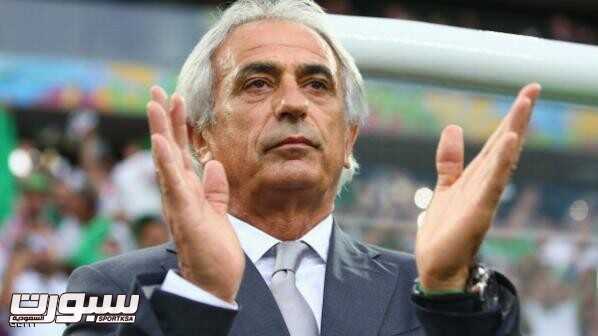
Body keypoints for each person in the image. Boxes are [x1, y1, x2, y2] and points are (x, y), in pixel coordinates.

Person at [64, 0, 542, 335]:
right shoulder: (100, 287)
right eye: (257, 83)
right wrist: (199, 300)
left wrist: (450, 296)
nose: (293, 103)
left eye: (317, 85)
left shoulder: (429, 287)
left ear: (349, 134)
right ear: (199, 135)